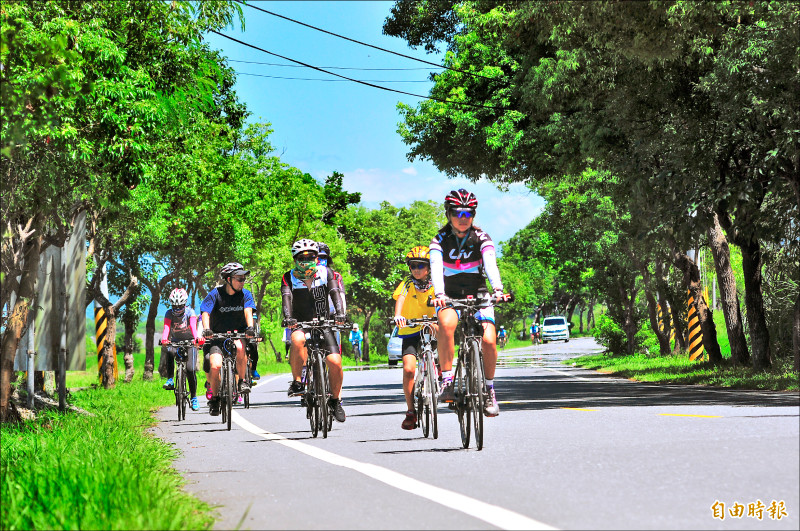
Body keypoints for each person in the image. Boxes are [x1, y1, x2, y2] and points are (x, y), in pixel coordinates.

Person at [430, 189, 509, 417]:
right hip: (449, 293)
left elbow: (491, 265)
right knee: (446, 325)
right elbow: (436, 269)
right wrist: (440, 293)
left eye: (468, 212)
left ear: (473, 214)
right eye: (457, 212)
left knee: (489, 340)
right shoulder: (439, 240)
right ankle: (447, 380)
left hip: (479, 291)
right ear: (448, 213)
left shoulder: (482, 238)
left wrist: (498, 290)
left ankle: (489, 389)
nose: (463, 217)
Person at [281, 239, 348, 423]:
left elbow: (335, 293)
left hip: (324, 322)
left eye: (310, 257)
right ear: (294, 259)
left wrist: (340, 314)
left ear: (316, 257)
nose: (306, 261)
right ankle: (297, 382)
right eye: (301, 257)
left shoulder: (326, 273)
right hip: (300, 322)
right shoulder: (289, 277)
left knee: (335, 361)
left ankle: (335, 401)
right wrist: (288, 318)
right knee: (296, 340)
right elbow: (286, 297)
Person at [200, 262, 256, 416]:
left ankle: (242, 381)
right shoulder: (215, 294)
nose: (242, 281)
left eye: (243, 278)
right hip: (217, 336)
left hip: (237, 334)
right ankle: (215, 399)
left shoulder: (245, 294)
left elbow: (248, 311)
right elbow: (205, 312)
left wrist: (250, 328)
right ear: (229, 279)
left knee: (239, 348)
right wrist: (206, 330)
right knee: (216, 366)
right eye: (239, 278)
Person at [392, 246, 436, 430]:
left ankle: (441, 369)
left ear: (429, 267)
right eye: (413, 266)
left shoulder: (436, 283)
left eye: (420, 265)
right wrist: (398, 315)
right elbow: (400, 298)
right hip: (410, 329)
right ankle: (411, 411)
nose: (416, 269)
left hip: (431, 326)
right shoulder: (408, 283)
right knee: (409, 369)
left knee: (441, 330)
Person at [160, 288, 203, 411]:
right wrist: (164, 339)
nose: (177, 309)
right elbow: (166, 328)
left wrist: (197, 339)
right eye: (175, 306)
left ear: (185, 304)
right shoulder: (169, 313)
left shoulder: (191, 312)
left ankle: (194, 397)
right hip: (175, 342)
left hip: (190, 342)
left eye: (180, 306)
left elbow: (194, 328)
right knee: (168, 351)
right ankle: (170, 379)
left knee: (190, 369)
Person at [317, 242, 347, 354]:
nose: (320, 261)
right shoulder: (304, 275)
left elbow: (341, 296)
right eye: (317, 257)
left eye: (323, 257)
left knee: (335, 343)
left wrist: (341, 315)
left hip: (331, 314)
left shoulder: (336, 276)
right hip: (311, 314)